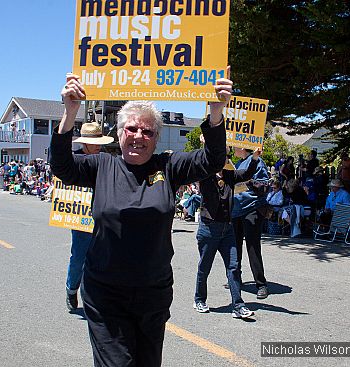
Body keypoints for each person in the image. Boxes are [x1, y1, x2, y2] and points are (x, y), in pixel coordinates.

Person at [50, 71, 230, 367]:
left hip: (152, 292)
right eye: (131, 129)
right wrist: (70, 113)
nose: (138, 136)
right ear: (119, 133)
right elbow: (62, 166)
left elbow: (212, 159)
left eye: (147, 132)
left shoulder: (169, 166)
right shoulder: (101, 166)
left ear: (156, 138)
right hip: (106, 291)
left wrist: (215, 113)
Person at [193, 147, 261, 319]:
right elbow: (201, 162)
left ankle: (238, 305)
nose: (224, 159)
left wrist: (254, 158)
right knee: (204, 267)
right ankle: (199, 299)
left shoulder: (229, 176)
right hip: (208, 229)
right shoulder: (206, 175)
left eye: (226, 156)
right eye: (221, 156)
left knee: (234, 266)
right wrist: (205, 146)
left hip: (227, 228)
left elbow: (246, 174)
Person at [65, 122, 114, 312]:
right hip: (81, 214)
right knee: (79, 256)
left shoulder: (106, 159)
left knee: (102, 258)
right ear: (84, 142)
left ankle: (94, 296)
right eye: (95, 142)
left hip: (103, 214)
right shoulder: (73, 159)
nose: (99, 145)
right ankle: (71, 289)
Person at [231, 146, 270, 300]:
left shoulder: (257, 161)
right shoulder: (238, 163)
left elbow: (264, 186)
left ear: (242, 147)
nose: (233, 148)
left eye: (235, 146)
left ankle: (261, 284)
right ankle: (236, 279)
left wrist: (249, 181)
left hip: (251, 208)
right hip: (236, 209)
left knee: (253, 247)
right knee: (235, 246)